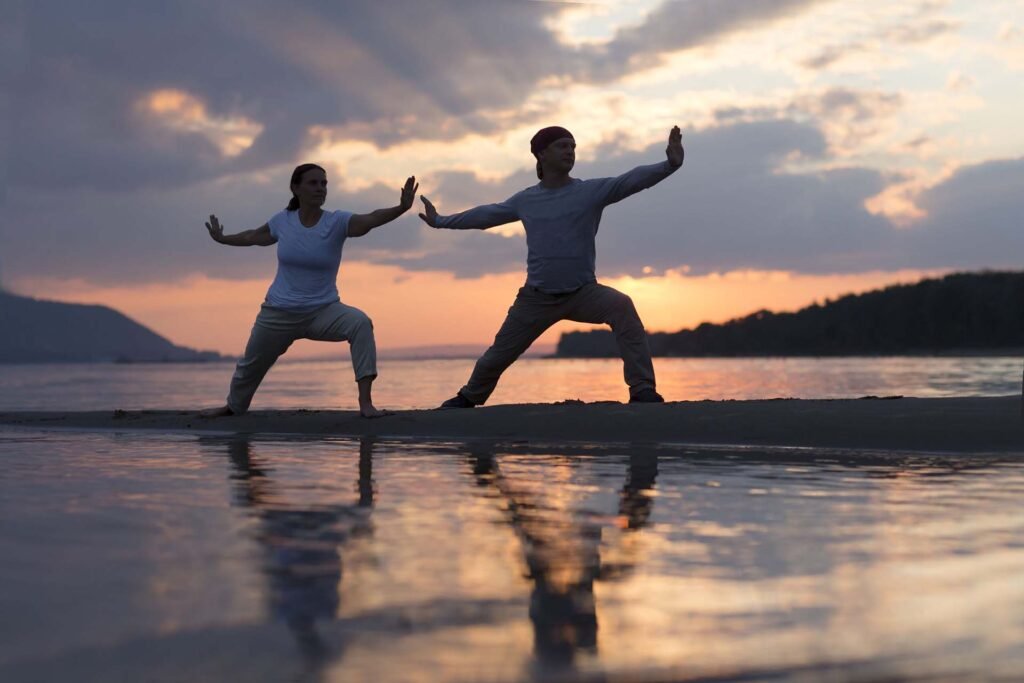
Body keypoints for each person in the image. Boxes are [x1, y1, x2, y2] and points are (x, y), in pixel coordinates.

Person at [418, 125, 684, 408]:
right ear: (542, 154)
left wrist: (669, 165)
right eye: (562, 146)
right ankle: (469, 397)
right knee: (496, 357)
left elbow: (630, 180)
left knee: (622, 307)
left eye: (573, 146)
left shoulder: (589, 191)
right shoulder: (526, 200)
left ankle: (642, 390)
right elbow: (487, 215)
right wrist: (441, 221)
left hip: (583, 293)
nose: (570, 151)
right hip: (537, 298)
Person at [201, 164, 416, 418]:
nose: (320, 188)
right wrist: (224, 239)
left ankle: (366, 405)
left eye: (324, 183)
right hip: (278, 312)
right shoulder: (283, 221)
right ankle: (233, 407)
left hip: (323, 311)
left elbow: (369, 219)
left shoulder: (336, 221)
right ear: (296, 188)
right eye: (313, 183)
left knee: (360, 323)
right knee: (249, 367)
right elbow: (253, 236)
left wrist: (401, 208)